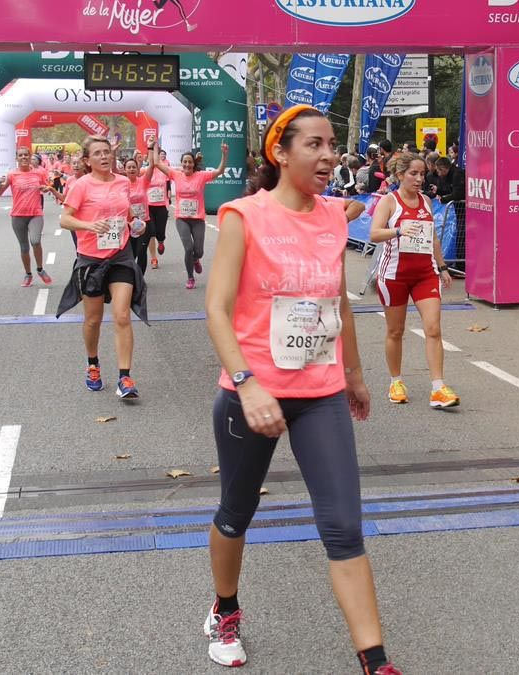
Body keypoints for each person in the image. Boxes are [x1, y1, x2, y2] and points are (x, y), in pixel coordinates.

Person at [202, 104, 400, 674]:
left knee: (343, 525)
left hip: (321, 391)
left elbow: (336, 300)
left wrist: (356, 376)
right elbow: (215, 310)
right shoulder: (244, 215)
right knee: (236, 511)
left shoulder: (334, 216)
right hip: (252, 392)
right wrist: (247, 383)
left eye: (332, 144)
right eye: (314, 144)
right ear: (280, 153)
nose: (328, 155)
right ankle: (226, 609)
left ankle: (375, 659)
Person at [56, 136, 148, 399]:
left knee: (121, 315)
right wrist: (88, 226)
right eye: (97, 153)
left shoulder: (122, 181)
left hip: (120, 255)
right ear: (87, 160)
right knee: (93, 319)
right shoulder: (81, 185)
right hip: (91, 259)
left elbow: (126, 212)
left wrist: (135, 222)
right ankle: (93, 365)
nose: (104, 156)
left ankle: (125, 378)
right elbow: (65, 219)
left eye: (107, 152)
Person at [369, 152, 460, 408]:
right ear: (400, 175)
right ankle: (396, 381)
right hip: (394, 274)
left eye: (422, 174)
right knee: (395, 331)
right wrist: (398, 230)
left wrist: (442, 267)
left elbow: (433, 237)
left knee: (433, 328)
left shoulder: (427, 202)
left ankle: (438, 387)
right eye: (414, 174)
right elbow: (374, 234)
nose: (420, 179)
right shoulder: (389, 201)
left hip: (424, 273)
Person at [151, 142, 230, 290]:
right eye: (184, 162)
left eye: (190, 162)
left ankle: (196, 260)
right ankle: (190, 277)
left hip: (198, 219)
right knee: (188, 248)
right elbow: (156, 163)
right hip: (182, 218)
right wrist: (155, 147)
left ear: (193, 164)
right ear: (181, 163)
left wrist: (224, 154)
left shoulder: (201, 176)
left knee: (198, 251)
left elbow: (220, 171)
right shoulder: (176, 174)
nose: (187, 164)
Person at [0, 146, 55, 287]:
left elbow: (47, 187)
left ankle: (40, 269)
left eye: (26, 155)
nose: (23, 158)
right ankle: (28, 274)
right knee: (24, 248)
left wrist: (46, 188)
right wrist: (0, 185)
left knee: (35, 241)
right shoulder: (11, 175)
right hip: (18, 215)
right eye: (20, 155)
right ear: (16, 158)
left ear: (30, 156)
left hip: (35, 213)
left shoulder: (38, 173)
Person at [123, 154, 157, 274]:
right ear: (125, 170)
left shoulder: (143, 181)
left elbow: (152, 166)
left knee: (142, 251)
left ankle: (139, 278)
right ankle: (130, 276)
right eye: (129, 167)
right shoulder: (122, 184)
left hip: (144, 223)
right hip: (128, 224)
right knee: (131, 253)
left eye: (134, 167)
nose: (132, 169)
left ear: (138, 170)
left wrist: (151, 149)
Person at [145, 148, 172, 270]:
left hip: (161, 205)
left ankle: (161, 242)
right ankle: (153, 258)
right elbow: (130, 174)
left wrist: (169, 194)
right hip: (148, 206)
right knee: (151, 232)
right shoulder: (145, 171)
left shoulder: (164, 170)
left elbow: (170, 182)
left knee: (160, 232)